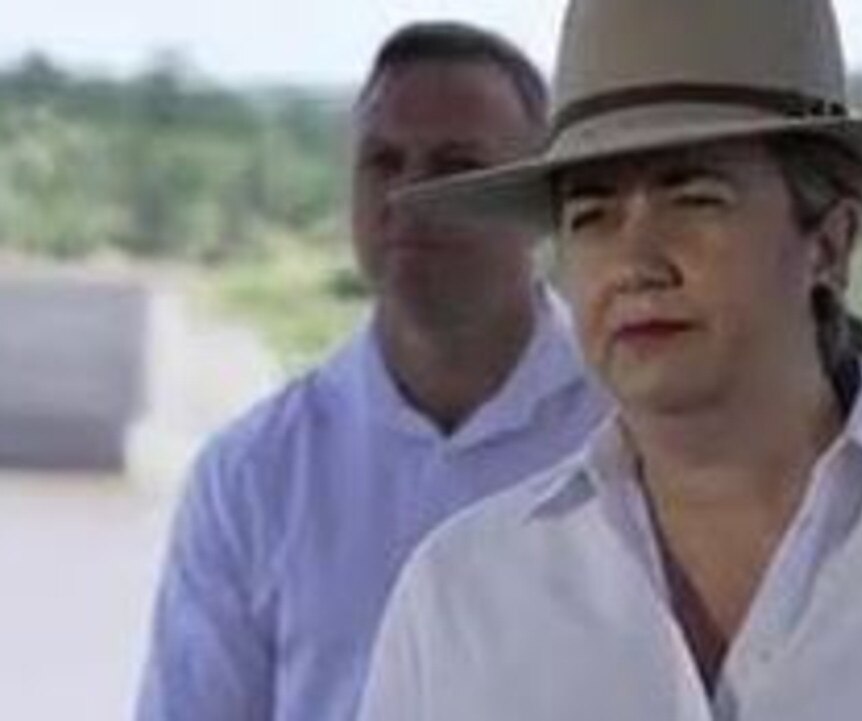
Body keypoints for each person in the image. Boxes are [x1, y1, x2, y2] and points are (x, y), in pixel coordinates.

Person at [357, 1, 862, 720]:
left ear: (830, 240)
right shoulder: (461, 592)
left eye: (695, 198)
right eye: (592, 215)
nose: (637, 261)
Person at [136, 22, 607, 721]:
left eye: (456, 165)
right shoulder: (254, 474)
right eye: (383, 161)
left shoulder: (642, 435)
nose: (409, 195)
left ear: (542, 200)